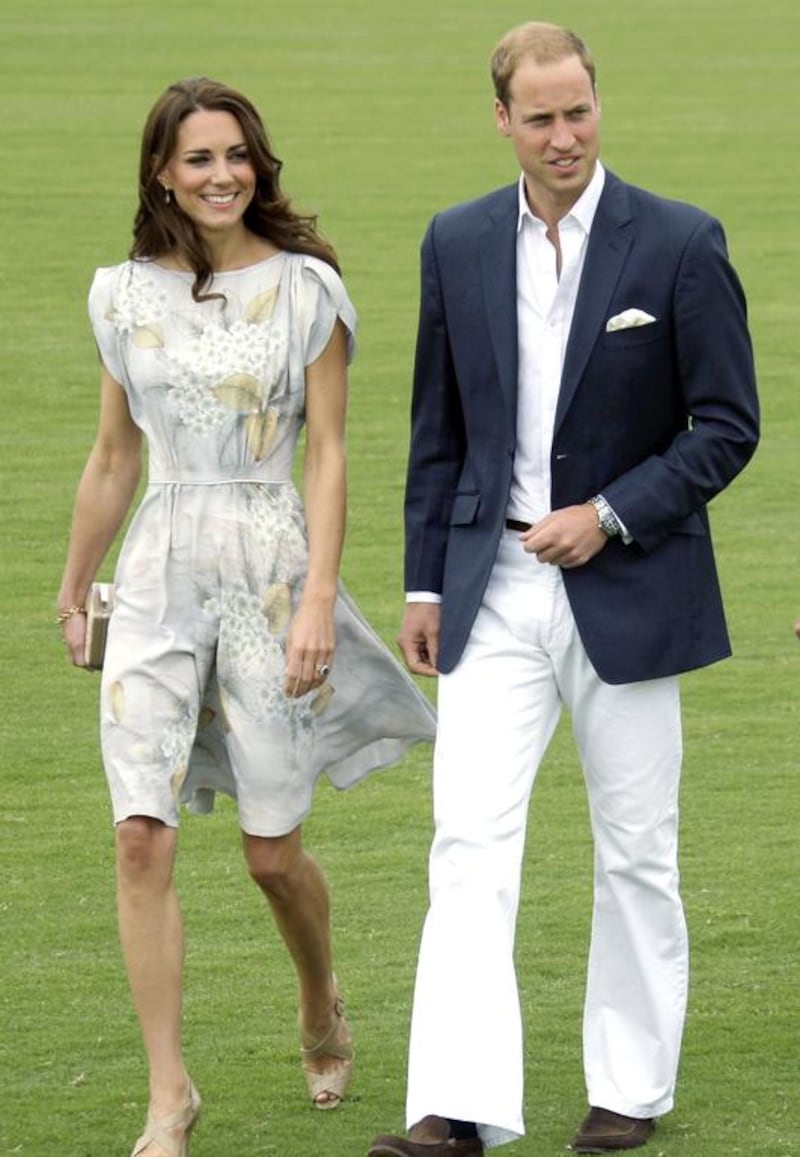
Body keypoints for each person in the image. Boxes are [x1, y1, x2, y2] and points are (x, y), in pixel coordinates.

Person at [368, 21, 759, 1157]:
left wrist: (611, 513)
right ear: (501, 121)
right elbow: (435, 429)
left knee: (636, 845)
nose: (561, 136)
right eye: (537, 118)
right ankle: (454, 1106)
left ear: (598, 104)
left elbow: (727, 427)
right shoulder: (454, 241)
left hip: (628, 586)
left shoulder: (680, 243)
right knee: (466, 844)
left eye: (576, 111)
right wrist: (422, 586)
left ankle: (627, 1087)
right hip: (485, 589)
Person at [56, 77, 436, 1157]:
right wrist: (75, 585)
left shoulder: (307, 289)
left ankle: (319, 996)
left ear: (257, 166)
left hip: (272, 570)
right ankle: (167, 1094)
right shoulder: (118, 295)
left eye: (236, 155)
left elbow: (324, 451)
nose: (220, 174)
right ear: (161, 173)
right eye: (197, 158)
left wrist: (319, 594)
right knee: (139, 832)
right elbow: (112, 455)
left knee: (273, 853)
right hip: (159, 569)